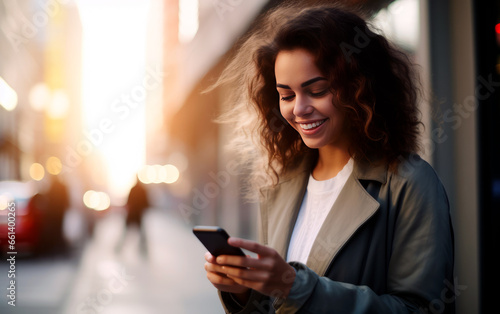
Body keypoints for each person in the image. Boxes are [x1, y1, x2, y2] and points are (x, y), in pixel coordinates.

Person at [202, 3, 455, 314]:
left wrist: (294, 286)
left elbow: (422, 309)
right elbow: (277, 305)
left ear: (360, 87)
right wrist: (243, 291)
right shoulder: (282, 184)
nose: (299, 109)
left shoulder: (410, 184)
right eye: (287, 95)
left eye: (317, 90)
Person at [116, 177, 150, 256]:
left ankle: (119, 248)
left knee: (125, 232)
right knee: (140, 234)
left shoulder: (134, 189)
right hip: (137, 215)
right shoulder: (142, 189)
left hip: (133, 214)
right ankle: (143, 250)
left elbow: (128, 202)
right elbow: (146, 202)